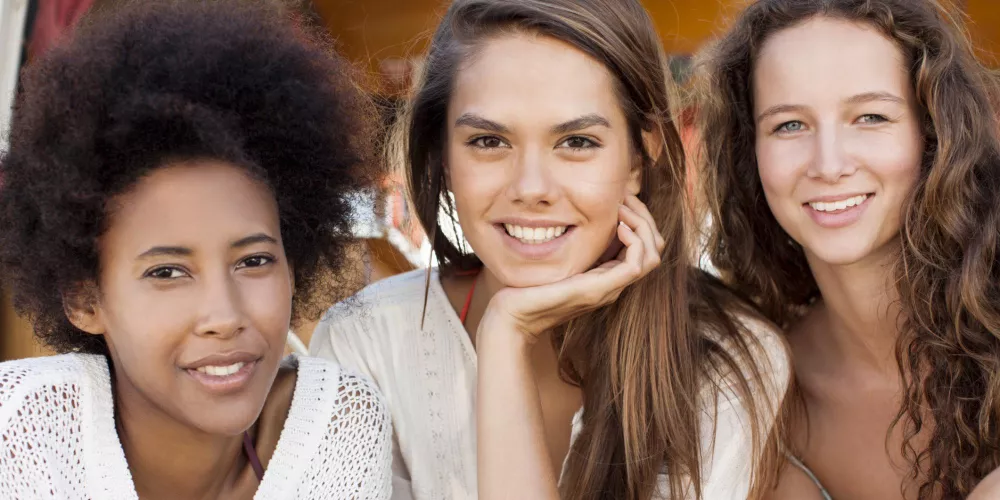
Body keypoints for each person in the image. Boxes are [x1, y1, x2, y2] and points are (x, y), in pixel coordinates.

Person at [310, 0, 789, 498]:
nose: (531, 187)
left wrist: (506, 331)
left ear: (639, 158)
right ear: (444, 159)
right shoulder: (363, 342)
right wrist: (505, 337)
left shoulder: (732, 361)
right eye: (489, 141)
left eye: (577, 142)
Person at [0, 2, 392, 498]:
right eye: (167, 272)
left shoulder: (337, 427)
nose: (224, 316)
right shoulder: (20, 434)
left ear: (293, 266)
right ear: (84, 298)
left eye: (254, 261)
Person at [697, 0, 1000, 498]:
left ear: (934, 134)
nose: (829, 164)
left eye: (871, 116)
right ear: (749, 152)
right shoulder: (759, 398)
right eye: (789, 125)